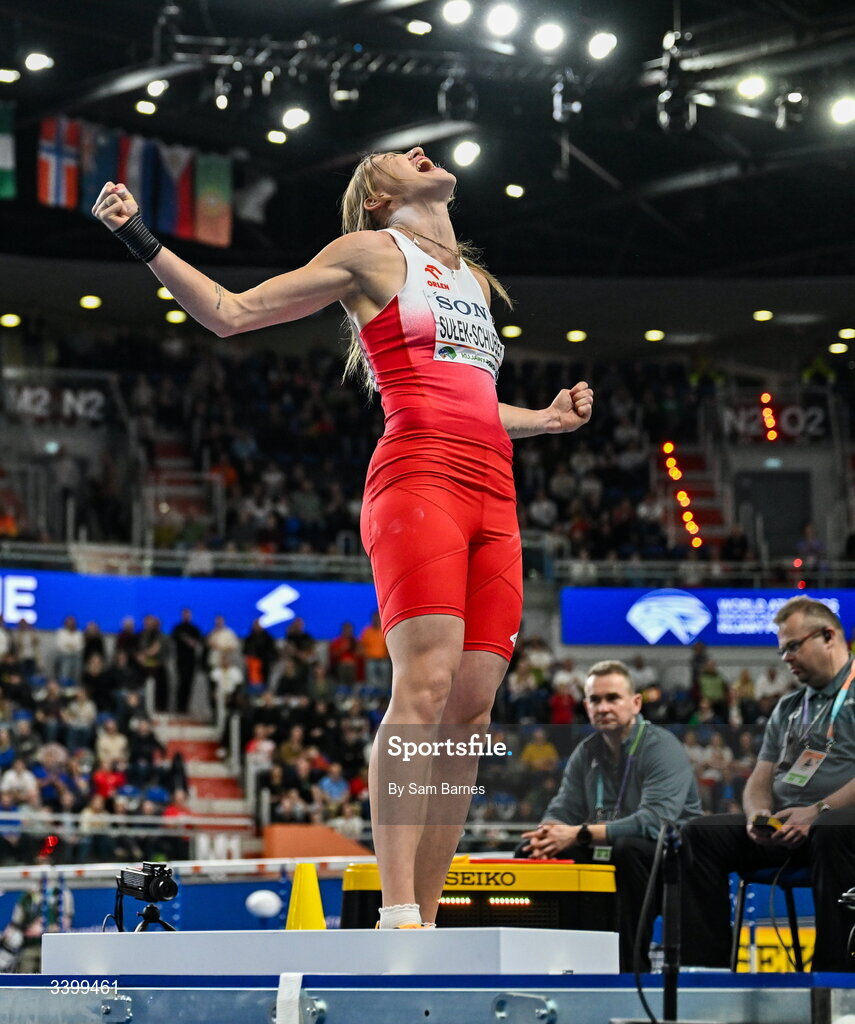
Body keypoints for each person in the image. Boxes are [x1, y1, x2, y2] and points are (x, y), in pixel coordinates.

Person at [92, 148, 593, 930]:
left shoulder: (470, 279)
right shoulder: (369, 251)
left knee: (470, 710)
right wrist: (141, 239)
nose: (420, 151)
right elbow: (231, 313)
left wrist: (546, 420)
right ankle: (395, 910)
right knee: (424, 690)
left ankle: (426, 918)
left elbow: (475, 402)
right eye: (399, 156)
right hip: (418, 478)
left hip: (493, 490)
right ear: (377, 195)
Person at [681, 596, 855, 973]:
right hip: (788, 830)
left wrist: (818, 810)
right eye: (782, 651)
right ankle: (705, 972)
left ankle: (832, 981)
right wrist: (757, 815)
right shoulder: (790, 706)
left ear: (828, 636)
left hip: (839, 830)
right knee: (698, 834)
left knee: (831, 829)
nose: (786, 658)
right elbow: (760, 778)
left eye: (793, 646)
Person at [520, 660, 702, 971]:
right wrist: (548, 833)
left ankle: (631, 970)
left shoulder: (661, 747)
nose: (603, 707)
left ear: (636, 703)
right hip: (612, 847)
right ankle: (550, 965)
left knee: (627, 850)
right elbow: (563, 807)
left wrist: (579, 833)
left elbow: (656, 821)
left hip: (670, 857)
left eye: (612, 698)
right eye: (595, 699)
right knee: (530, 852)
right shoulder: (587, 751)